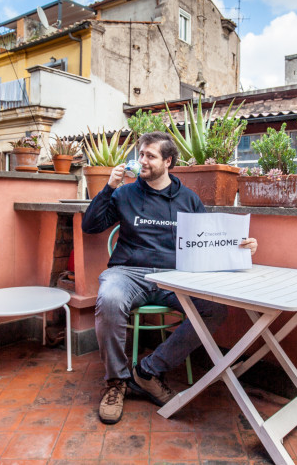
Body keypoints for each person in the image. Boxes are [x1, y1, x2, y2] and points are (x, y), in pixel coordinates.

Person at [81, 131, 258, 424]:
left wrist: (242, 247)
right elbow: (91, 226)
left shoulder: (189, 200)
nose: (142, 161)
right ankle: (116, 382)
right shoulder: (124, 192)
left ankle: (148, 370)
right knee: (109, 299)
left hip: (174, 276)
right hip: (128, 272)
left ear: (168, 161)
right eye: (141, 155)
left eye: (150, 156)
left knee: (214, 309)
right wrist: (109, 187)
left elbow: (208, 244)